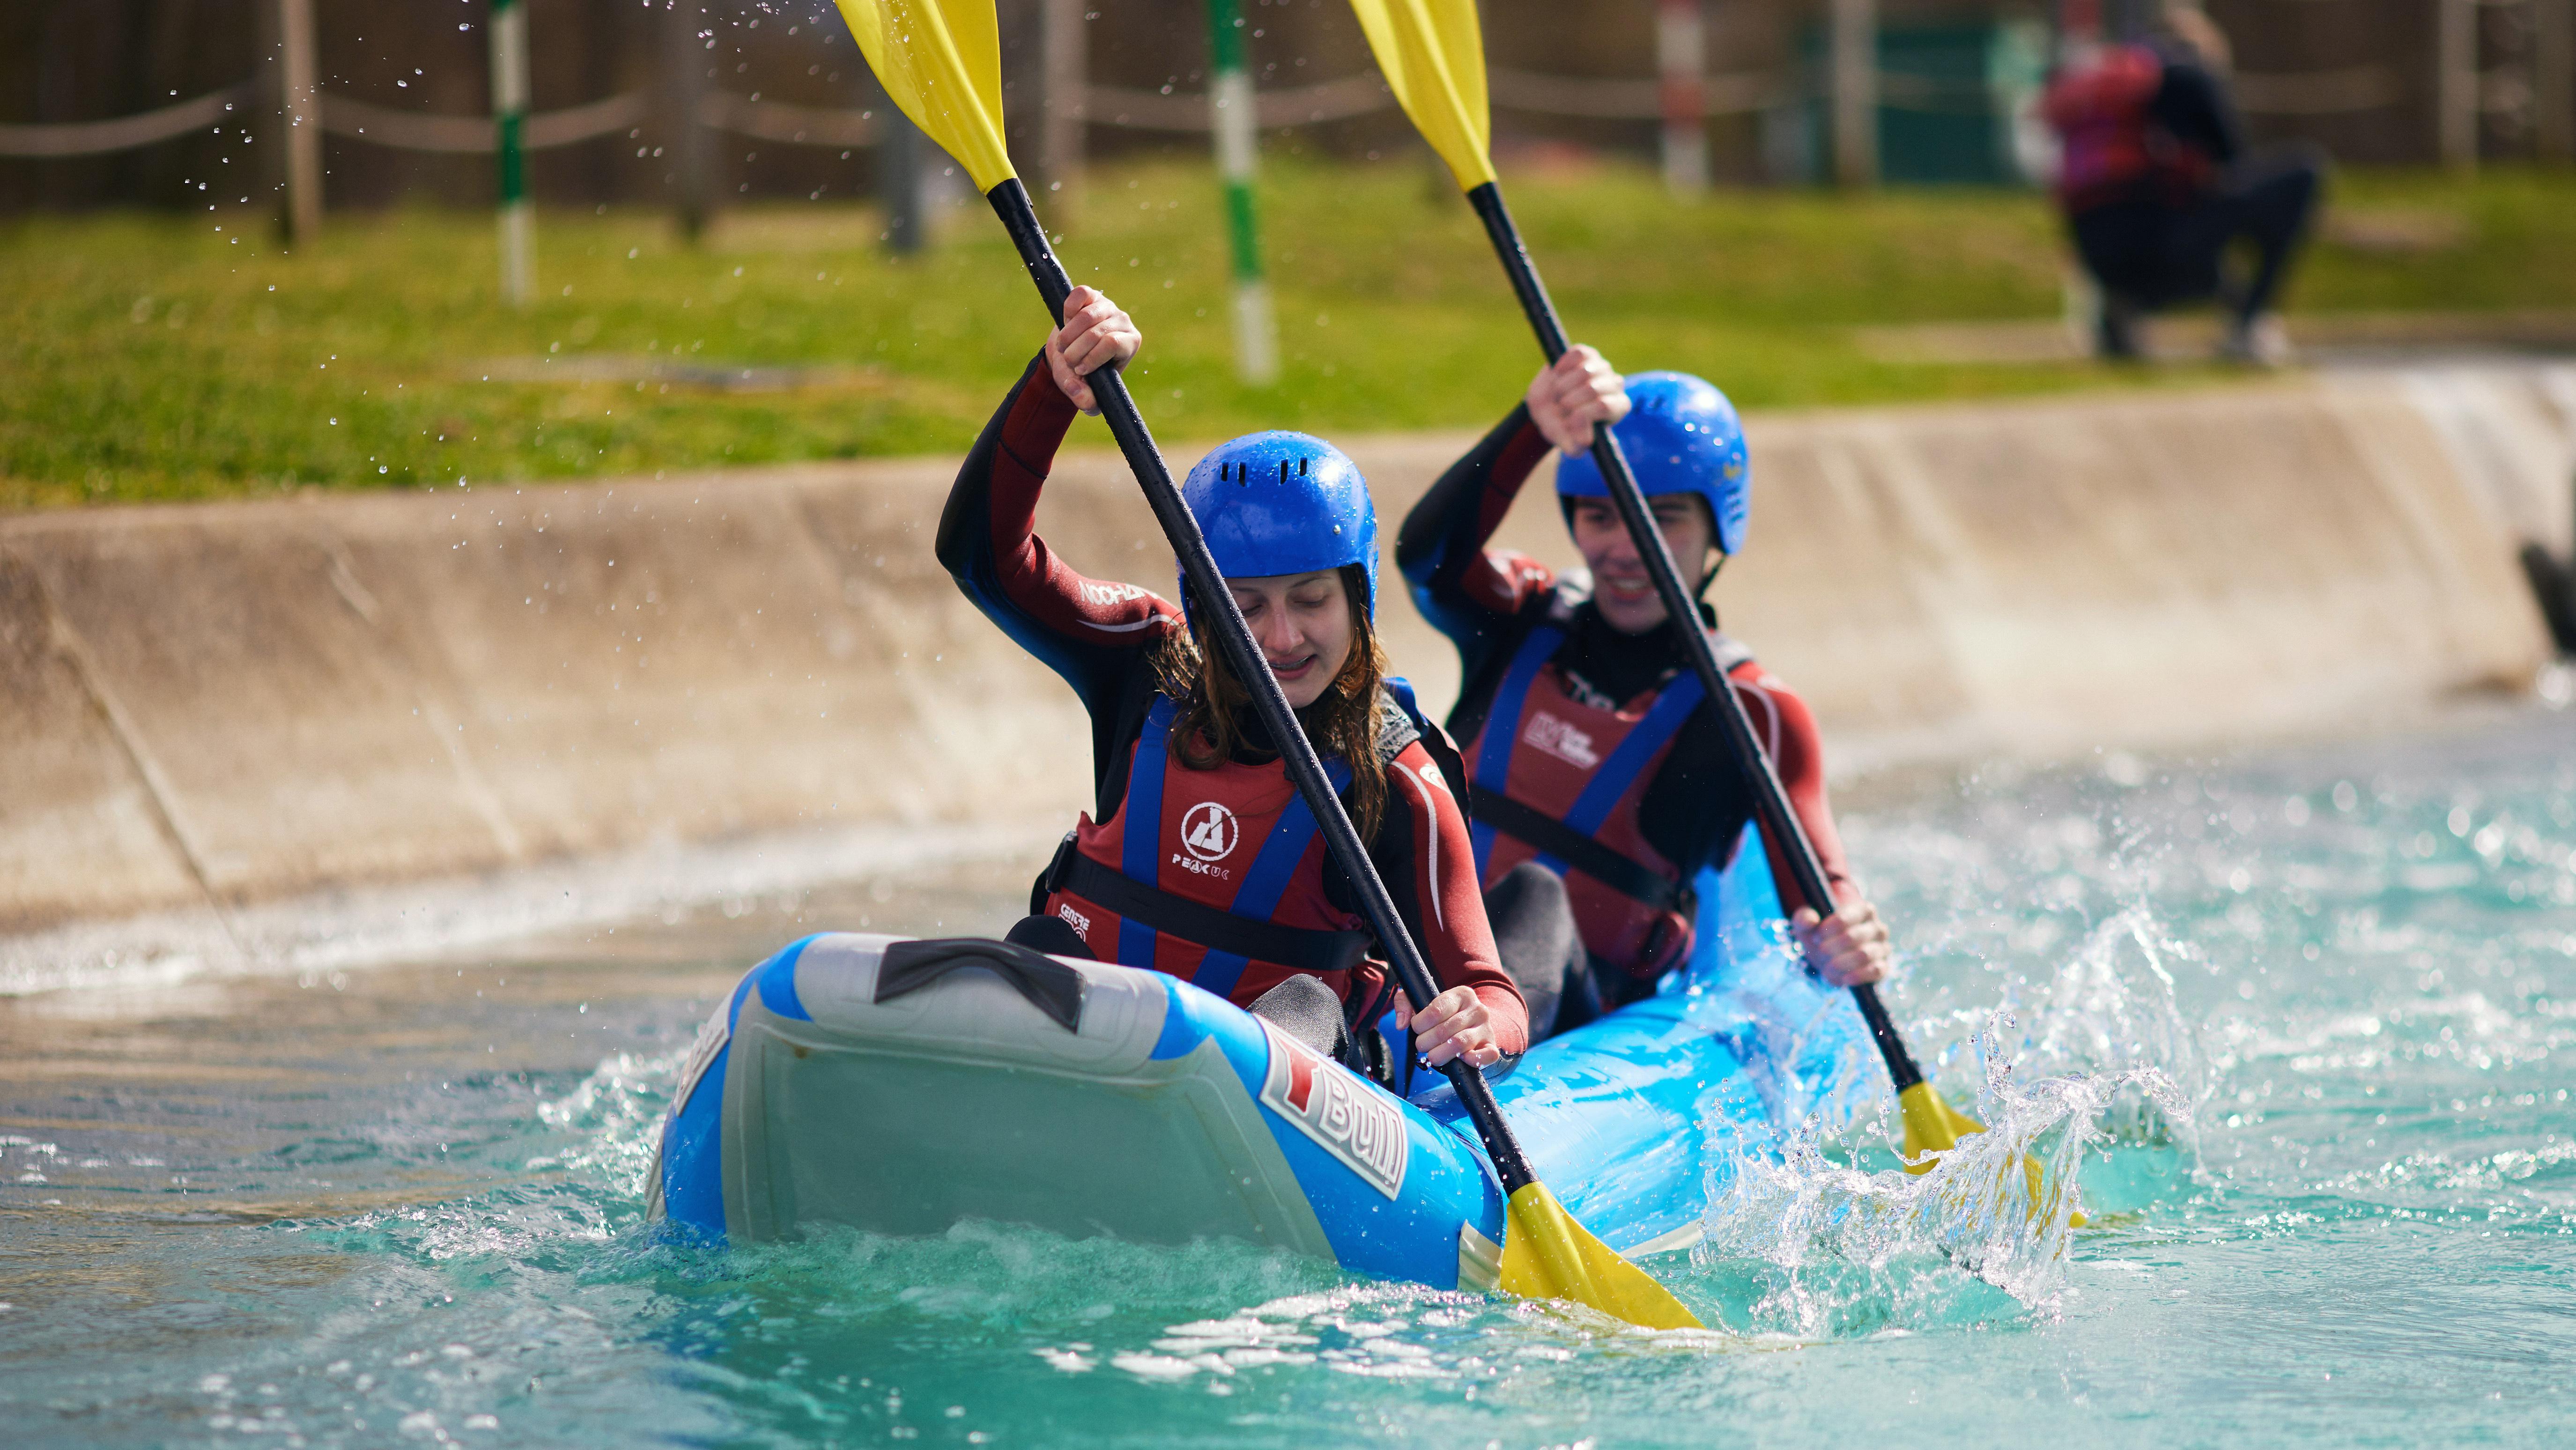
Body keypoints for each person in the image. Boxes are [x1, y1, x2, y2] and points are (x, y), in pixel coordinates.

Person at [935, 285, 1526, 1078]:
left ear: (1358, 599)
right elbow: (983, 558)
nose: (1284, 638)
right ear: (1203, 611)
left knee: (1300, 1014)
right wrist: (1052, 389)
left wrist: (1478, 1023)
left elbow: (1488, 988)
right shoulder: (1145, 667)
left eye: (1312, 600)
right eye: (1247, 607)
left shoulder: (1398, 779)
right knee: (1034, 952)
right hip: (1090, 1065)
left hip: (1269, 1111)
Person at [1395, 349, 1893, 1039]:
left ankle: (1457, 1042)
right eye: (1600, 516)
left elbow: (1823, 901)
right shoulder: (1519, 618)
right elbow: (1428, 559)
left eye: (1661, 519)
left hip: (1569, 1018)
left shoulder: (1753, 715)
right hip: (1410, 972)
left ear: (1718, 527)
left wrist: (1846, 936)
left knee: (1537, 895)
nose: (1625, 548)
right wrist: (1535, 426)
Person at [2039, 2, 2324, 364]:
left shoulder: (2106, 79)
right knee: (2303, 174)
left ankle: (2120, 316)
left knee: (2180, 213)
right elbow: (2236, 165)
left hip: (2100, 261)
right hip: (2165, 256)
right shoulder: (2188, 75)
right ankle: (2249, 325)